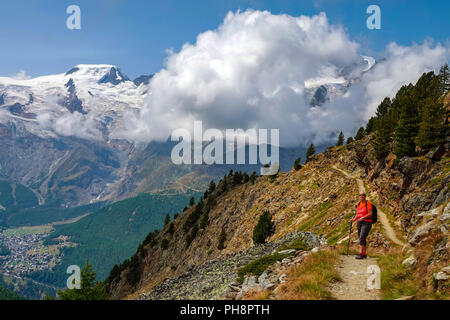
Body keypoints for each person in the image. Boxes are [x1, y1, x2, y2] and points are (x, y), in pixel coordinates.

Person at [350, 191, 373, 259]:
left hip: (366, 222)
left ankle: (361, 254)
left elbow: (370, 213)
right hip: (359, 222)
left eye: (363, 195)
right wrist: (353, 219)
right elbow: (358, 214)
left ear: (365, 196)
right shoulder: (359, 204)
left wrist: (363, 217)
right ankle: (364, 254)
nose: (361, 196)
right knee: (362, 238)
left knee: (362, 237)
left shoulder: (367, 203)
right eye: (360, 195)